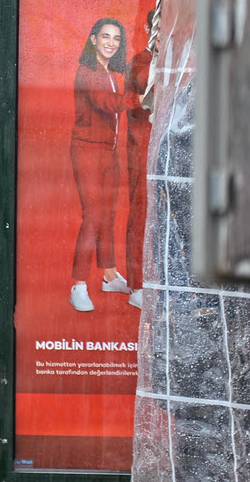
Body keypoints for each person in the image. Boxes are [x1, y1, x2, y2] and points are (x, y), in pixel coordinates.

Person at [68, 17, 141, 312]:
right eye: (106, 37)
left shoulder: (112, 72)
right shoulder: (87, 71)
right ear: (94, 39)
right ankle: (78, 285)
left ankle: (109, 275)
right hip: (86, 150)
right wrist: (140, 99)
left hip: (109, 152)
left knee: (108, 214)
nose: (111, 43)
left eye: (117, 38)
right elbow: (105, 102)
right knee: (92, 216)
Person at [124, 12, 154, 310]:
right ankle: (137, 284)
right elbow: (138, 92)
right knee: (142, 213)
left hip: (172, 152)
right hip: (143, 150)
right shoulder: (141, 62)